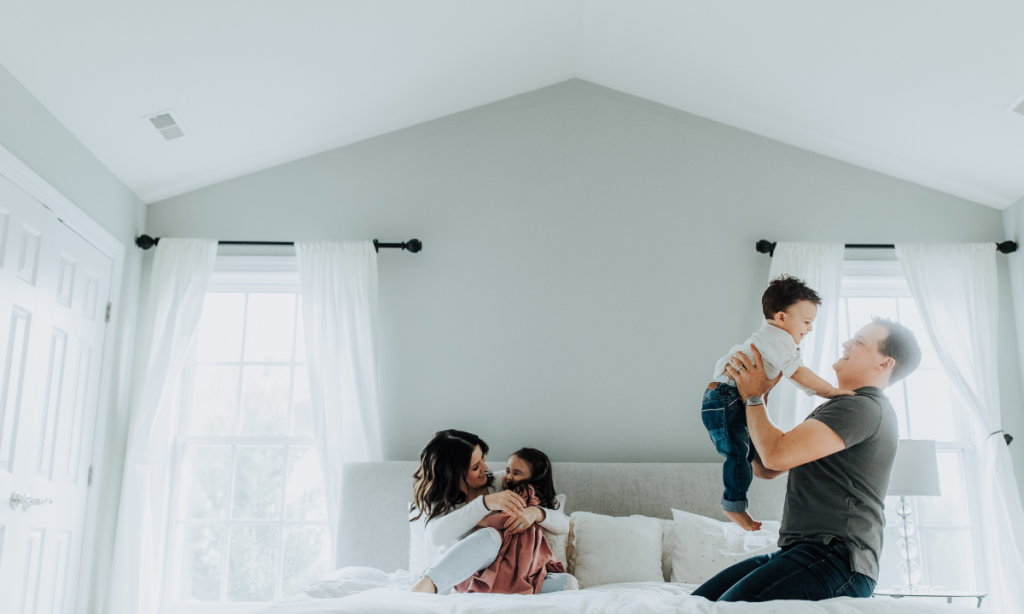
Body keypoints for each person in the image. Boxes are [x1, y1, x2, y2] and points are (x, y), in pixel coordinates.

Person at [693, 317, 922, 602]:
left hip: (836, 559)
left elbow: (776, 455)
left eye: (859, 342)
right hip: (803, 552)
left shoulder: (861, 407)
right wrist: (737, 409)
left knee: (720, 609)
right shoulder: (842, 407)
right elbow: (765, 467)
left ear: (885, 364)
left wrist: (754, 396)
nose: (846, 343)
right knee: (697, 603)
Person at [704, 275, 854, 530]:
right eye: (806, 322)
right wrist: (830, 391)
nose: (809, 329)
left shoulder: (770, 340)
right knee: (738, 456)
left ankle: (738, 497)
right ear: (782, 317)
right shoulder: (777, 339)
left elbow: (778, 378)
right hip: (726, 399)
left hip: (727, 399)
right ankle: (733, 504)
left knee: (749, 454)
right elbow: (797, 372)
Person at [409, 430, 576, 594]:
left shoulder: (505, 481)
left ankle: (485, 590)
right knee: (490, 536)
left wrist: (536, 513)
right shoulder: (441, 501)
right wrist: (484, 504)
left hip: (506, 574)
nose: (485, 467)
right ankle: (430, 584)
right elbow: (435, 536)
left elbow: (563, 525)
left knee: (567, 583)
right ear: (453, 474)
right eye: (475, 467)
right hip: (457, 576)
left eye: (482, 458)